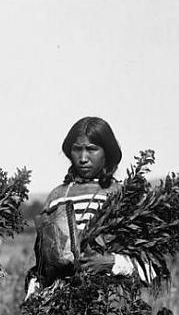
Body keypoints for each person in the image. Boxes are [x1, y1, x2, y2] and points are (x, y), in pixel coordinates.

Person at [26, 117, 155, 294]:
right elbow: (41, 264)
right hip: (60, 304)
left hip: (110, 301)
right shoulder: (57, 197)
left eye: (92, 149)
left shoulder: (122, 196)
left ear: (107, 152)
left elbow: (149, 269)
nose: (83, 158)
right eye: (77, 150)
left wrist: (110, 262)